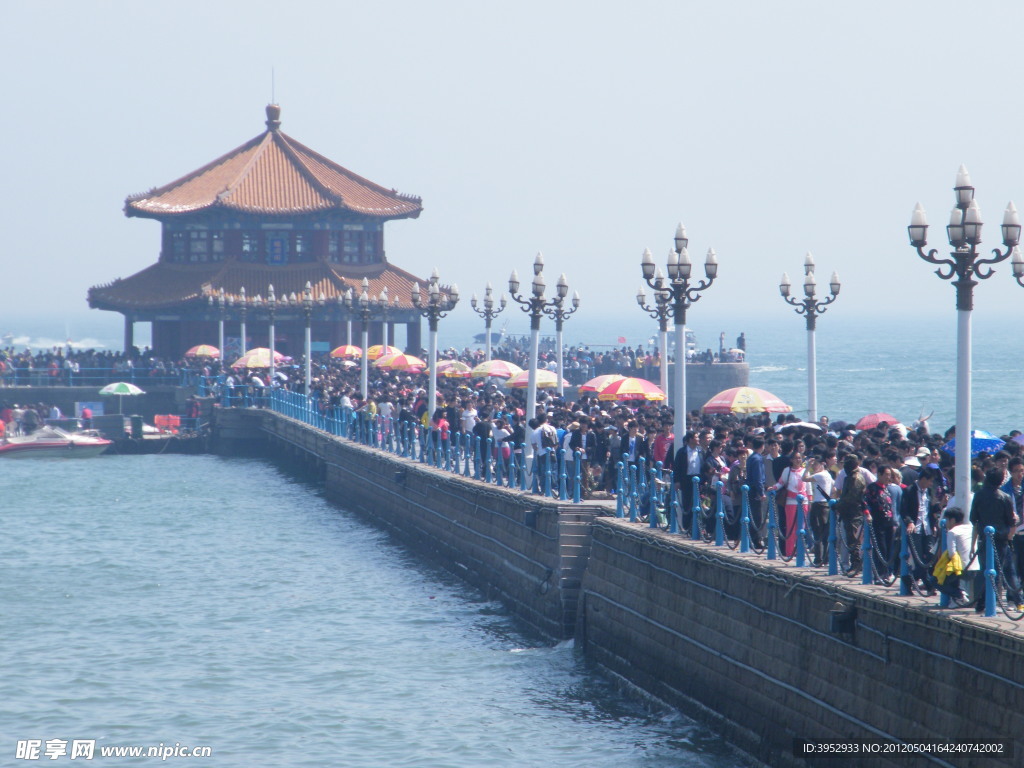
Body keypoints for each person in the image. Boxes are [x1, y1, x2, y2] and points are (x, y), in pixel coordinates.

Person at [970, 467, 1023, 612]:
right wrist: (1010, 535)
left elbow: (973, 518)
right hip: (1002, 539)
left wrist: (973, 543)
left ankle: (983, 603)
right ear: (1000, 481)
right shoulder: (1004, 497)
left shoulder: (978, 495)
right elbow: (1011, 520)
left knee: (986, 571)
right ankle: (1017, 601)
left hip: (984, 539)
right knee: (1008, 572)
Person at [772, 453, 808, 557]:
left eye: (799, 458)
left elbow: (808, 486)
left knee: (802, 527)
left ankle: (800, 549)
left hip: (803, 501)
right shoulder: (787, 470)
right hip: (791, 501)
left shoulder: (805, 471)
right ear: (791, 460)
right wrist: (774, 488)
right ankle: (789, 551)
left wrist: (810, 499)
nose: (798, 460)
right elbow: (781, 483)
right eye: (796, 458)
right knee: (791, 527)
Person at [805, 454, 834, 567]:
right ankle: (825, 558)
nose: (814, 467)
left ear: (822, 464)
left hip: (818, 504)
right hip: (827, 504)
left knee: (817, 532)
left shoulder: (819, 475)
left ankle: (818, 558)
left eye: (816, 464)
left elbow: (804, 478)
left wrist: (807, 467)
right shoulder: (828, 475)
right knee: (825, 533)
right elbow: (834, 489)